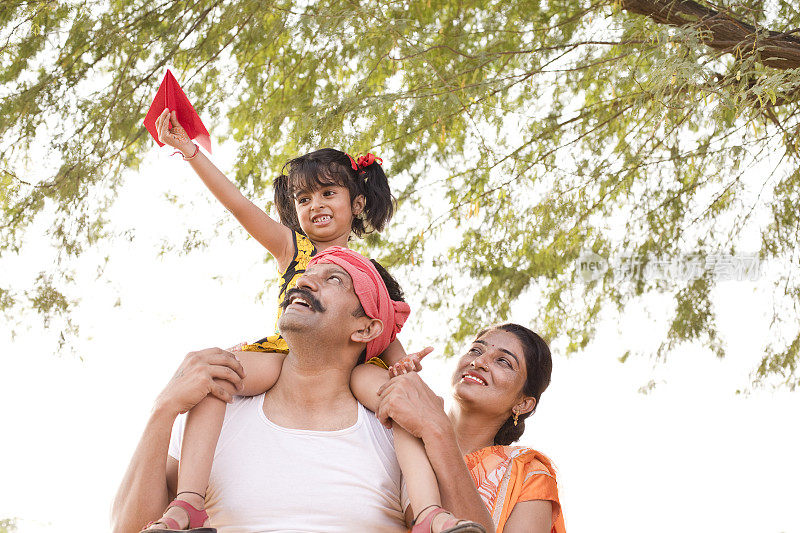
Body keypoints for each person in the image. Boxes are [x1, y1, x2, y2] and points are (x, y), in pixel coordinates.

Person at [143, 111, 478, 532]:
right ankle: (189, 502)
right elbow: (237, 203)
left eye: (327, 194)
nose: (315, 205)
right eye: (303, 199)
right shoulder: (292, 247)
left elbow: (385, 333)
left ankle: (430, 513)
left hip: (358, 366)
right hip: (286, 356)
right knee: (216, 375)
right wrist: (191, 152)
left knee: (400, 403)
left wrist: (403, 365)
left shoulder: (371, 274)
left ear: (356, 203)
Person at [376, 324, 567, 533]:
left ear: (523, 404)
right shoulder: (394, 423)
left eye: (503, 361)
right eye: (476, 350)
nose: (479, 362)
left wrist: (438, 432)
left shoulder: (529, 475)